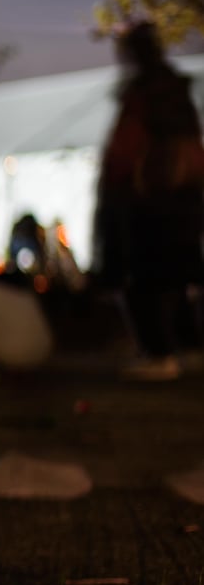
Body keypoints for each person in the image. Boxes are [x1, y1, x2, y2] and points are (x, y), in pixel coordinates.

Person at [94, 21, 204, 380]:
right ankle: (189, 348)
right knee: (177, 276)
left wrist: (112, 191)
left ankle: (158, 353)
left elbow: (125, 151)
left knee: (143, 278)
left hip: (147, 201)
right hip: (184, 200)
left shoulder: (144, 95)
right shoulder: (176, 93)